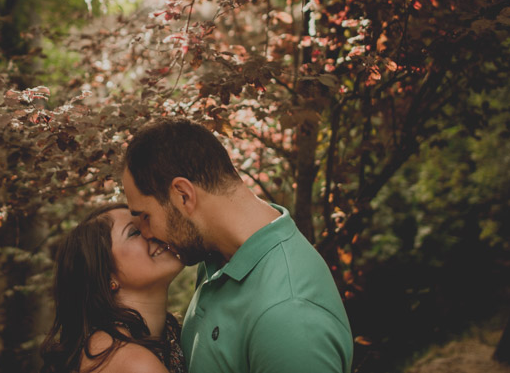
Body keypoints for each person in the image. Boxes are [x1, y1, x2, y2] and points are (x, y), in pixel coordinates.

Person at [122, 118, 354, 373]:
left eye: (146, 217)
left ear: (183, 195)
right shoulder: (215, 256)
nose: (146, 234)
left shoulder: (290, 316)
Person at [40, 203, 187, 373]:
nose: (151, 231)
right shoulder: (130, 361)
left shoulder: (163, 337)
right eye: (134, 232)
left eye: (148, 221)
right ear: (105, 276)